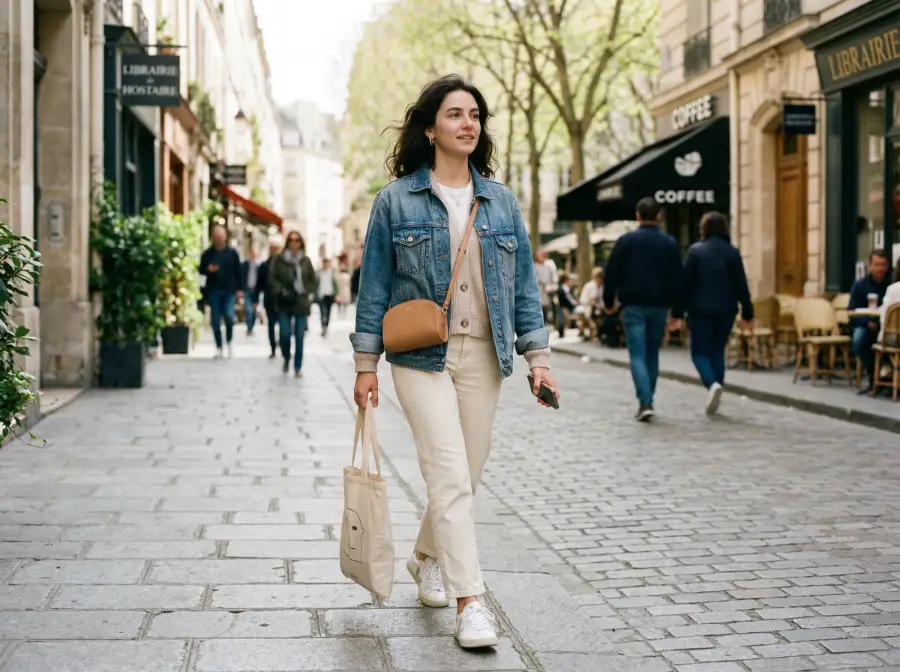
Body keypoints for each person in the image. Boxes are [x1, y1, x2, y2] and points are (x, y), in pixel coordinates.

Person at [350, 74, 558, 650]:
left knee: (464, 475)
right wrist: (366, 365)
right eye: (456, 115)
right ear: (430, 128)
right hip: (420, 356)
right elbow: (375, 288)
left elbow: (522, 290)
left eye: (475, 116)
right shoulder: (395, 201)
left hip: (484, 354)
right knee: (447, 474)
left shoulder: (501, 201)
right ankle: (472, 603)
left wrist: (538, 357)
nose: (469, 124)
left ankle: (426, 558)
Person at [603, 197, 685, 421]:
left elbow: (611, 274)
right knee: (652, 353)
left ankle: (645, 401)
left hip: (633, 306)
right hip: (659, 306)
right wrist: (678, 312)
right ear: (658, 216)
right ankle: (648, 398)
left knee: (637, 353)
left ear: (638, 215)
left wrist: (608, 302)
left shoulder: (626, 241)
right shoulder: (669, 243)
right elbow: (678, 279)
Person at [683, 212, 753, 415]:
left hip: (701, 310)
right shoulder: (732, 252)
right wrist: (748, 311)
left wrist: (679, 310)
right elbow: (741, 284)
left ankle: (712, 384)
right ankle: (717, 388)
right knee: (716, 351)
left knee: (699, 353)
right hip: (726, 310)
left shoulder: (696, 252)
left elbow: (686, 284)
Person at [268, 231, 317, 377]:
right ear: (287, 242)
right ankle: (286, 357)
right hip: (284, 302)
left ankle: (297, 366)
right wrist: (281, 290)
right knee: (284, 334)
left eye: (297, 240)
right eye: (291, 240)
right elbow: (272, 278)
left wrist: (305, 291)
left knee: (300, 336)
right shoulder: (279, 259)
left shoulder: (306, 261)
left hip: (301, 302)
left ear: (301, 243)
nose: (294, 243)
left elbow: (313, 281)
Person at [849, 249, 890, 394]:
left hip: (887, 327)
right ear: (870, 266)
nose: (880, 268)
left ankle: (888, 376)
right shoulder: (860, 286)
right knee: (859, 339)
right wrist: (867, 322)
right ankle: (875, 376)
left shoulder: (891, 285)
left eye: (883, 265)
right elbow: (851, 311)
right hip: (866, 325)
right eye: (877, 265)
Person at [200, 225, 242, 359]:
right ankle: (219, 346)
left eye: (220, 236)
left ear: (224, 237)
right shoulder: (207, 254)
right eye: (216, 237)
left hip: (229, 290)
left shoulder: (232, 253)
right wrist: (208, 269)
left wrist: (240, 289)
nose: (218, 239)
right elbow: (200, 270)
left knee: (229, 317)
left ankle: (229, 341)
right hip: (214, 290)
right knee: (216, 320)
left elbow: (238, 272)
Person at [253, 238, 283, 359]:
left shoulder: (284, 266)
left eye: (276, 248)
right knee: (271, 324)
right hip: (269, 300)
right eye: (272, 249)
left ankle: (282, 343)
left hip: (282, 300)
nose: (274, 251)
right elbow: (259, 283)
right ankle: (273, 347)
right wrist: (255, 300)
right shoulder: (264, 265)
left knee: (283, 325)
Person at [241, 248, 260, 337]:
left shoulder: (258, 266)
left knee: (254, 311)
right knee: (248, 310)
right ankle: (249, 327)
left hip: (255, 292)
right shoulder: (245, 264)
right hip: (247, 290)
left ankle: (251, 327)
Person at [317, 257, 337, 337]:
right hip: (321, 295)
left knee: (328, 313)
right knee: (322, 312)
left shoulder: (332, 272)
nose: (326, 264)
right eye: (325, 263)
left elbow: (335, 284)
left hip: (330, 295)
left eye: (327, 263)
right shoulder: (319, 272)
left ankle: (326, 326)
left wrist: (336, 294)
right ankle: (323, 326)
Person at [556, 274, 577, 339]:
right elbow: (567, 298)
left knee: (561, 320)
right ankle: (561, 334)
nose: (571, 282)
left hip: (561, 306)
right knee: (562, 320)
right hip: (562, 306)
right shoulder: (564, 288)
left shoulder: (563, 287)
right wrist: (573, 304)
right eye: (570, 280)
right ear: (566, 280)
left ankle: (561, 334)